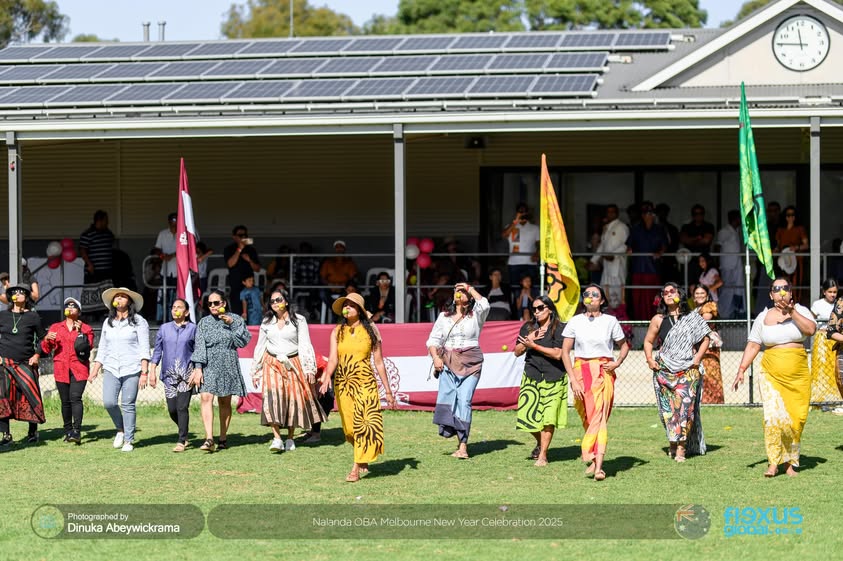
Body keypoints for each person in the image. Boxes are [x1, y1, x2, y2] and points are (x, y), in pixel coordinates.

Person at [733, 277, 817, 477]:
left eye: (785, 288)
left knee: (796, 420)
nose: (781, 291)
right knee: (772, 418)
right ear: (771, 295)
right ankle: (773, 462)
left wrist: (792, 312)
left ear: (791, 292)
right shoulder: (762, 317)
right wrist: (741, 369)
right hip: (771, 373)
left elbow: (811, 330)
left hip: (798, 375)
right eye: (776, 289)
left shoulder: (802, 311)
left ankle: (789, 463)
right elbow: (753, 344)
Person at [319, 292, 396, 482]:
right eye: (345, 305)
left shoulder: (371, 330)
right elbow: (333, 358)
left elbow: (378, 363)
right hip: (343, 384)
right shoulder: (337, 331)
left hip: (365, 383)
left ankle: (355, 467)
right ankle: (363, 455)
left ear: (359, 310)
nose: (347, 308)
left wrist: (387, 390)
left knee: (363, 424)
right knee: (350, 429)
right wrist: (327, 376)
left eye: (351, 305)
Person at [560, 284, 629, 481]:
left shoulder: (610, 321)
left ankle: (599, 466)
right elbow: (565, 352)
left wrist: (617, 363)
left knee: (598, 417)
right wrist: (572, 379)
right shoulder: (575, 321)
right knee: (588, 416)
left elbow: (624, 346)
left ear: (602, 300)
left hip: (603, 371)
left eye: (595, 294)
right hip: (580, 371)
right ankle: (592, 457)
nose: (590, 297)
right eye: (587, 294)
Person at [251, 289, 325, 453]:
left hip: (293, 362)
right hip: (272, 362)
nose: (275, 303)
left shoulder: (299, 320)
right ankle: (277, 438)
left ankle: (290, 437)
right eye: (272, 301)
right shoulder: (266, 322)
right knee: (272, 399)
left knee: (292, 399)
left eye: (278, 299)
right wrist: (256, 370)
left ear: (286, 301)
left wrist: (309, 369)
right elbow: (260, 346)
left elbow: (305, 344)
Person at [644, 282, 711, 462]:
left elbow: (706, 339)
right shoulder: (658, 319)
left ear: (679, 295)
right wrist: (650, 359)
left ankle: (681, 447)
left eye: (672, 291)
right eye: (664, 292)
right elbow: (648, 342)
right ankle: (672, 443)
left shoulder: (692, 317)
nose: (668, 294)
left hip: (688, 370)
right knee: (668, 410)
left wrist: (696, 360)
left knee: (685, 410)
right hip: (664, 370)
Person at [426, 282, 490, 460]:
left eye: (463, 292)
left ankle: (463, 445)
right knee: (449, 399)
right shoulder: (443, 317)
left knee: (465, 400)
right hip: (448, 362)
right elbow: (432, 341)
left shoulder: (476, 316)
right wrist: (436, 358)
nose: (459, 294)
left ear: (469, 298)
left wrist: (470, 288)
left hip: (471, 363)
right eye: (457, 291)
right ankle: (455, 432)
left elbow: (485, 304)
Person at [189, 289, 252, 452]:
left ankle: (223, 437)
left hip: (228, 362)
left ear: (223, 303)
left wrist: (231, 323)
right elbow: (200, 346)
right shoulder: (203, 322)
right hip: (209, 363)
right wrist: (198, 368)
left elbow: (243, 341)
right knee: (205, 397)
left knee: (224, 401)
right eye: (209, 304)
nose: (212, 306)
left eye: (216, 303)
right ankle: (209, 439)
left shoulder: (236, 319)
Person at [89, 287, 149, 452]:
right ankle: (120, 430)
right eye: (117, 297)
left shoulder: (139, 321)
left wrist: (144, 372)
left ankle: (129, 440)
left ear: (129, 301)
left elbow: (144, 348)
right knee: (109, 402)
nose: (119, 299)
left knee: (128, 404)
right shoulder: (108, 323)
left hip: (132, 368)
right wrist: (95, 369)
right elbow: (102, 348)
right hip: (111, 367)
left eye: (123, 297)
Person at [514, 294, 567, 467]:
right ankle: (540, 442)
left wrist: (535, 346)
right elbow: (517, 351)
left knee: (548, 418)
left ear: (549, 309)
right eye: (534, 309)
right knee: (527, 419)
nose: (536, 312)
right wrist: (528, 341)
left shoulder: (560, 328)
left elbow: (558, 354)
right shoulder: (528, 327)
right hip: (532, 375)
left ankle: (543, 455)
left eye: (540, 308)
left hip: (554, 376)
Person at [41, 297, 94, 444]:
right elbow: (46, 349)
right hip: (61, 368)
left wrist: (80, 332)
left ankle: (76, 432)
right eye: (67, 306)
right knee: (65, 401)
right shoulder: (56, 327)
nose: (70, 309)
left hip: (79, 368)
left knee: (75, 398)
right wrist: (47, 339)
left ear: (79, 311)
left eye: (73, 307)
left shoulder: (86, 328)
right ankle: (68, 431)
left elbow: (88, 347)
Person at [0, 284, 45, 447]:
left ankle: (32, 432)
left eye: (21, 293)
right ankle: (6, 435)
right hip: (5, 363)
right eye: (14, 293)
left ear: (26, 297)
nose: (17, 295)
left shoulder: (33, 317)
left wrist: (37, 354)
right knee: (3, 397)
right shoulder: (2, 315)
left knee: (30, 394)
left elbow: (43, 338)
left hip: (26, 363)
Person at [150, 298, 197, 452]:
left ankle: (181, 440)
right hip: (169, 375)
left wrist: (197, 370)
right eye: (173, 307)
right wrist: (152, 370)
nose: (175, 309)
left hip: (186, 374)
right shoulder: (164, 329)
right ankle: (184, 431)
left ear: (187, 312)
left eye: (179, 307)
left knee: (182, 407)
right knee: (172, 409)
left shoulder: (193, 329)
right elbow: (157, 350)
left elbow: (198, 352)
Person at [627, 201, 667, 320]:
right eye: (645, 213)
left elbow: (664, 245)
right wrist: (629, 250)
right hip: (638, 268)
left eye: (650, 213)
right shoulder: (635, 229)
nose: (648, 215)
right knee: (638, 298)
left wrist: (660, 253)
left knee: (653, 297)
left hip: (653, 268)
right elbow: (629, 246)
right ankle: (639, 321)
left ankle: (655, 320)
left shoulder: (659, 229)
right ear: (642, 215)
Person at [589, 204, 629, 309]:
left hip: (618, 265)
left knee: (617, 290)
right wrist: (593, 260)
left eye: (613, 212)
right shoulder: (606, 227)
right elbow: (602, 246)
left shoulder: (622, 227)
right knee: (605, 288)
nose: (610, 214)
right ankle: (607, 312)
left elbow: (626, 245)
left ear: (617, 213)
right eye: (608, 212)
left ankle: (619, 315)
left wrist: (613, 255)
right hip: (607, 266)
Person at [811, 280, 843, 403]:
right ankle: (821, 399)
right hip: (823, 341)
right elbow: (811, 319)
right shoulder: (818, 304)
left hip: (835, 342)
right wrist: (819, 327)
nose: (832, 294)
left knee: (833, 372)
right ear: (824, 292)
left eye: (835, 292)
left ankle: (834, 398)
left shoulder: (836, 303)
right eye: (830, 292)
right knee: (822, 371)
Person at [692, 285, 724, 404]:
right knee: (700, 374)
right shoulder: (696, 308)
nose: (699, 295)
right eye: (697, 293)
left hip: (709, 345)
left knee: (711, 374)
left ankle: (714, 401)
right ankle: (703, 400)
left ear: (707, 295)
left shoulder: (709, 306)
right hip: (698, 344)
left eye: (702, 293)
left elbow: (705, 321)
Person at [224, 225, 261, 317]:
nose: (243, 237)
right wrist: (239, 249)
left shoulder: (251, 250)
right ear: (234, 237)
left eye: (245, 235)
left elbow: (257, 269)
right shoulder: (229, 249)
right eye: (240, 235)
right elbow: (230, 264)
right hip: (235, 285)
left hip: (249, 285)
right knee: (237, 313)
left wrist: (249, 260)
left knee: (251, 313)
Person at [714, 210, 745, 319]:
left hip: (737, 265)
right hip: (727, 265)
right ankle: (723, 313)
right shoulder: (724, 231)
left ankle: (735, 311)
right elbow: (717, 247)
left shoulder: (737, 231)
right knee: (726, 289)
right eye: (738, 218)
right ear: (734, 219)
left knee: (737, 288)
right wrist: (716, 264)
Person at [775, 206, 808, 303]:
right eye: (788, 215)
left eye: (793, 215)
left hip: (796, 260)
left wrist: (796, 247)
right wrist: (775, 250)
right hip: (783, 259)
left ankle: (796, 304)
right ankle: (784, 303)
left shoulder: (800, 229)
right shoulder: (780, 230)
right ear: (785, 217)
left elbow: (806, 245)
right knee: (783, 283)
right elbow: (778, 245)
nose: (790, 217)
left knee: (795, 284)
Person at [502, 203, 539, 288]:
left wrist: (537, 253)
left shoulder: (535, 228)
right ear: (517, 212)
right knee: (515, 288)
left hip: (530, 263)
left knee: (532, 287)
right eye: (520, 211)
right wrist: (516, 221)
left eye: (524, 211)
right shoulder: (511, 227)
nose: (523, 214)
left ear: (528, 213)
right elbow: (504, 235)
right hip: (514, 263)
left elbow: (540, 244)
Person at [320, 240, 359, 318]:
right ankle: (336, 311)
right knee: (322, 294)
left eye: (341, 247)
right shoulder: (328, 262)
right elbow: (322, 278)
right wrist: (329, 285)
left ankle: (337, 314)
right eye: (337, 247)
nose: (339, 249)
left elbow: (353, 279)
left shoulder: (349, 263)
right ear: (335, 249)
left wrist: (343, 285)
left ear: (344, 249)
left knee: (347, 295)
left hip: (343, 288)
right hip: (330, 288)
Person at [679, 204, 715, 281]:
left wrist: (691, 240)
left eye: (701, 213)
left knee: (704, 284)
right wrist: (697, 238)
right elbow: (684, 240)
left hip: (704, 261)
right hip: (689, 261)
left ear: (703, 214)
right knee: (688, 284)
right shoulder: (686, 227)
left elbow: (706, 241)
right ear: (692, 215)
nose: (698, 216)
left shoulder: (708, 226)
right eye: (695, 213)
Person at [79, 209, 115, 283]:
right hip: (94, 271)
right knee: (93, 291)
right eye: (106, 220)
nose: (108, 222)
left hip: (107, 271)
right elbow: (82, 251)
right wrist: (89, 265)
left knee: (106, 292)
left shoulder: (108, 233)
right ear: (99, 221)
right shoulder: (88, 234)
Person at [154, 212, 178, 318]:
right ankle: (163, 318)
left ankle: (177, 317)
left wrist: (173, 255)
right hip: (166, 270)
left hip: (180, 271)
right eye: (173, 220)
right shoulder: (163, 233)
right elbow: (157, 248)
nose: (175, 222)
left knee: (177, 296)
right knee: (164, 295)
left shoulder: (184, 233)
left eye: (176, 220)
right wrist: (162, 255)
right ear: (169, 221)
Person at [655, 203, 680, 284]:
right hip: (656, 262)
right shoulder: (653, 229)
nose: (662, 215)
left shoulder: (673, 229)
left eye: (664, 213)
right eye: (660, 212)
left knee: (670, 285)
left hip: (669, 261)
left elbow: (675, 245)